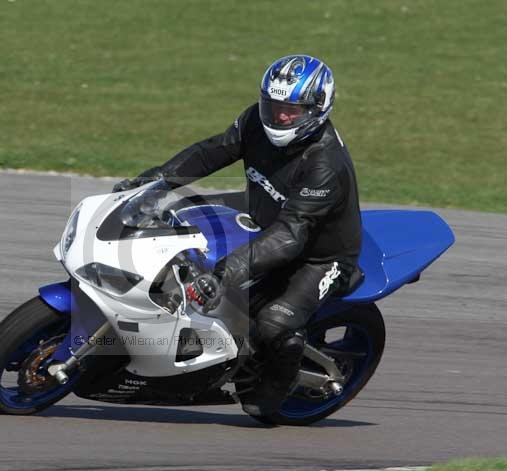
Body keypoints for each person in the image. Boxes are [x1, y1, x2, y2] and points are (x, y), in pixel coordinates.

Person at [112, 55, 362, 417]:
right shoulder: (255, 122)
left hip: (318, 256)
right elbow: (213, 151)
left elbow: (291, 236)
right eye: (274, 106)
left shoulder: (325, 164)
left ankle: (273, 394)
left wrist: (222, 274)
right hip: (261, 222)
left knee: (273, 323)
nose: (280, 117)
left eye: (293, 110)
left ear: (318, 108)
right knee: (171, 243)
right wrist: (156, 181)